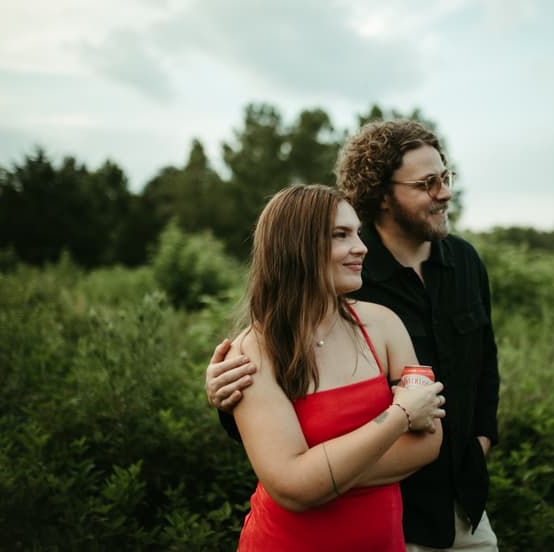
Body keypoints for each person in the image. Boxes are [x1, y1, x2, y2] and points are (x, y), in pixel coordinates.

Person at [207, 119, 500, 550]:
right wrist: (308, 476)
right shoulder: (350, 284)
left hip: (459, 498)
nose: (445, 192)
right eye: (427, 182)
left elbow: (482, 370)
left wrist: (480, 442)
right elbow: (288, 473)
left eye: (446, 177)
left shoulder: (454, 269)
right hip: (394, 514)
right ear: (383, 194)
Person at [225, 183, 445, 551]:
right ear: (296, 246)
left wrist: (318, 477)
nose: (361, 247)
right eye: (340, 235)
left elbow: (429, 444)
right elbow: (292, 490)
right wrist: (399, 416)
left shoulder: (385, 325)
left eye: (357, 233)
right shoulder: (252, 353)